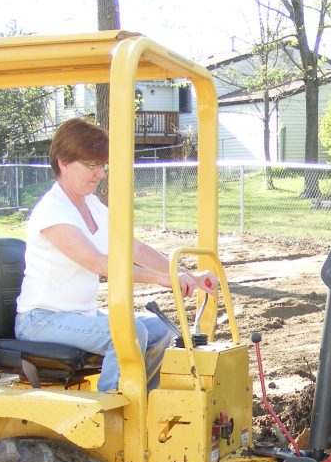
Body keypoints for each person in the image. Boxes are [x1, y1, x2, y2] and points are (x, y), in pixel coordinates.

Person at [15, 118, 216, 391]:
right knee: (128, 332)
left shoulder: (93, 206)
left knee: (160, 329)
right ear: (63, 161)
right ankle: (115, 413)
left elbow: (133, 248)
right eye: (91, 165)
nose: (100, 173)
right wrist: (160, 279)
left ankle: (142, 401)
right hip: (41, 320)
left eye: (102, 166)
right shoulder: (52, 212)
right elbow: (97, 263)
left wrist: (184, 274)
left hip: (81, 315)